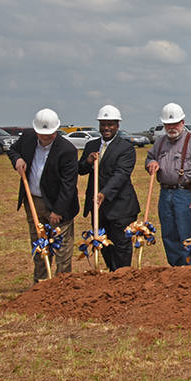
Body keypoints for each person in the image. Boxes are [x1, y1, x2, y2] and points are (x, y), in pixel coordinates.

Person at [9, 108, 78, 281]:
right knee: (39, 245)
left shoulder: (67, 150)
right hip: (33, 202)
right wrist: (17, 159)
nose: (45, 138)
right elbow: (12, 150)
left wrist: (58, 210)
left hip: (58, 205)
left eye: (50, 135)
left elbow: (68, 185)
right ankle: (40, 285)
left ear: (56, 130)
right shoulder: (28, 138)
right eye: (42, 135)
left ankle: (62, 285)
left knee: (61, 249)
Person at [145, 103, 191, 266]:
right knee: (169, 233)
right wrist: (151, 163)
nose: (172, 127)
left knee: (188, 233)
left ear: (182, 122)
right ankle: (176, 270)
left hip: (186, 194)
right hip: (165, 193)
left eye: (175, 123)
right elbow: (149, 157)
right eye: (168, 124)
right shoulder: (159, 142)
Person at [77, 105, 140, 271]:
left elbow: (121, 175)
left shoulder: (126, 148)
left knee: (121, 246)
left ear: (117, 126)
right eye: (103, 124)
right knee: (103, 244)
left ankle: (123, 277)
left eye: (110, 124)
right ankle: (112, 276)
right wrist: (88, 162)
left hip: (121, 208)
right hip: (99, 208)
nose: (106, 128)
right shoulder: (91, 145)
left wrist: (104, 193)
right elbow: (80, 169)